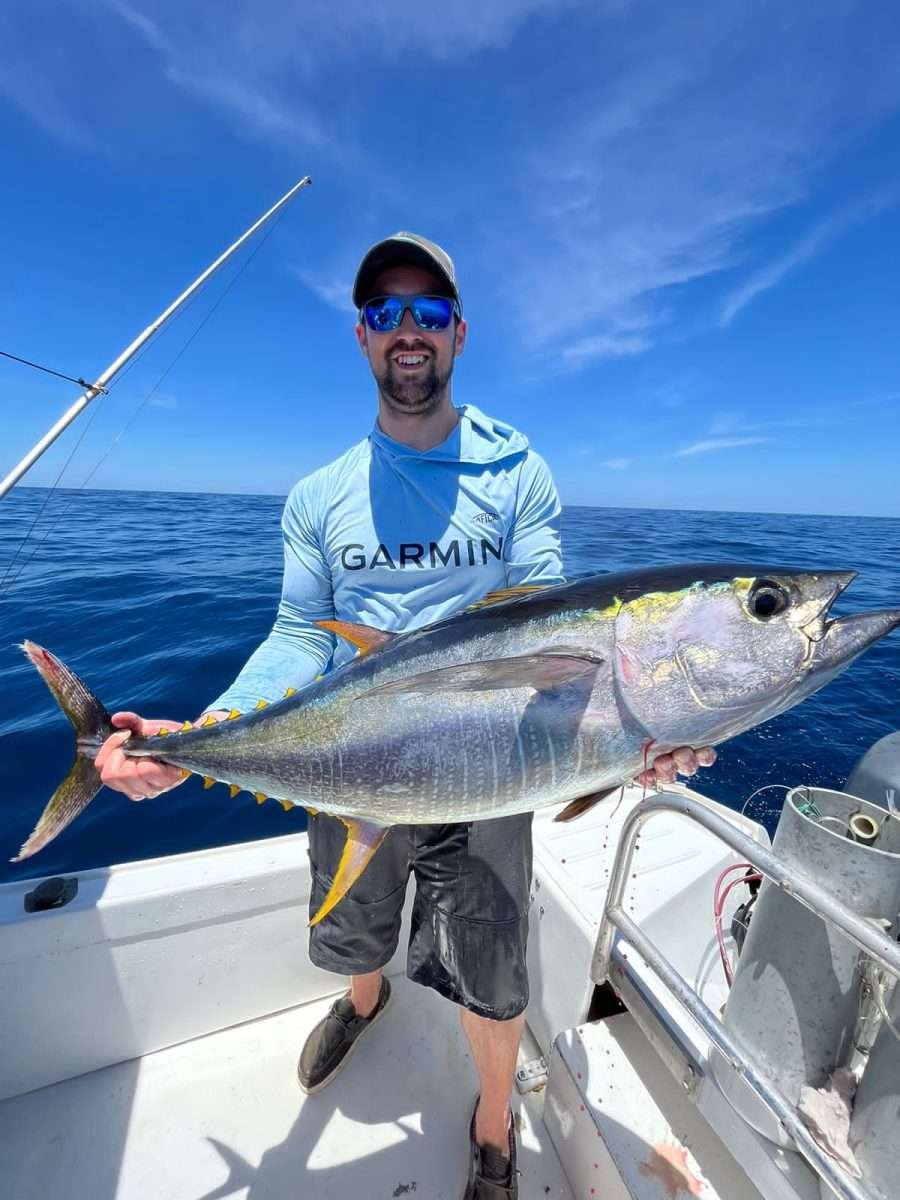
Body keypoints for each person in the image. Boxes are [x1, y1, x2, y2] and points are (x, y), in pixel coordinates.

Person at [95, 232, 714, 1199]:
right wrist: (198, 733)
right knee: (353, 926)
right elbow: (300, 634)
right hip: (349, 756)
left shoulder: (515, 474)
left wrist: (626, 740)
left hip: (494, 762)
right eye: (387, 314)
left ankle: (493, 1122)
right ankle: (365, 998)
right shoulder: (319, 497)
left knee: (496, 968)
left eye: (428, 312)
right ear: (363, 339)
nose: (408, 331)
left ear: (459, 333)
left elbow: (556, 632)